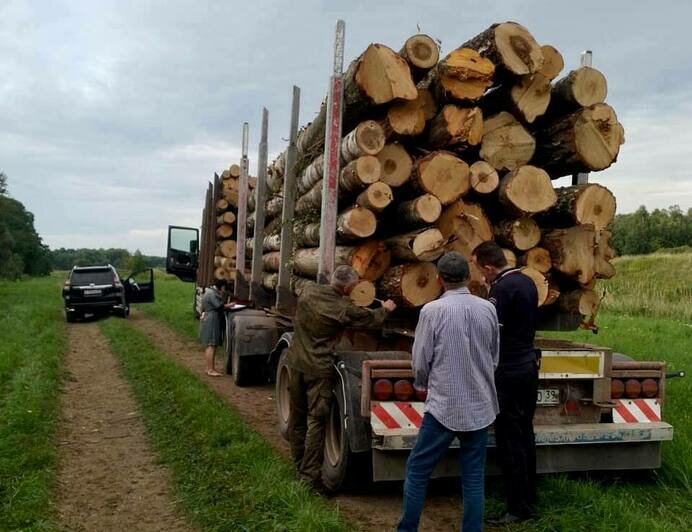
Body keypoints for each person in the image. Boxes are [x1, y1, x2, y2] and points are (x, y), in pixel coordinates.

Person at [398, 252, 500, 532]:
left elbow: (420, 361)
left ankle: (407, 529)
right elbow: (493, 357)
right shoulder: (488, 309)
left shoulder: (431, 311)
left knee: (418, 470)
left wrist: (421, 385)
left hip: (443, 407)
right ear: (468, 277)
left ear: (439, 279)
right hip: (480, 406)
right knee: (473, 477)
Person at [286, 265, 396, 491]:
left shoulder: (309, 290)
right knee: (317, 421)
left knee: (297, 418)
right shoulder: (342, 308)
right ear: (347, 288)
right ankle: (309, 478)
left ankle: (298, 463)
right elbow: (371, 319)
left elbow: (296, 285)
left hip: (296, 361)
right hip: (318, 369)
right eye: (354, 286)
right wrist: (385, 309)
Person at [471, 241, 539, 525]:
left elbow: (492, 332)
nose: (481, 277)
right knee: (525, 432)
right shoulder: (527, 282)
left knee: (509, 438)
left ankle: (517, 508)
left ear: (489, 267)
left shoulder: (501, 289)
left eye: (480, 271)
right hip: (528, 365)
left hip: (508, 369)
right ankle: (529, 494)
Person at [199, 279, 235, 377]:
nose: (224, 290)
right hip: (212, 319)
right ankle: (210, 369)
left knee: (210, 345)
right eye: (223, 288)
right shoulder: (212, 293)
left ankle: (209, 368)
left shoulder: (209, 291)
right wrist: (229, 305)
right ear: (221, 286)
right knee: (212, 345)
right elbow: (219, 306)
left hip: (210, 318)